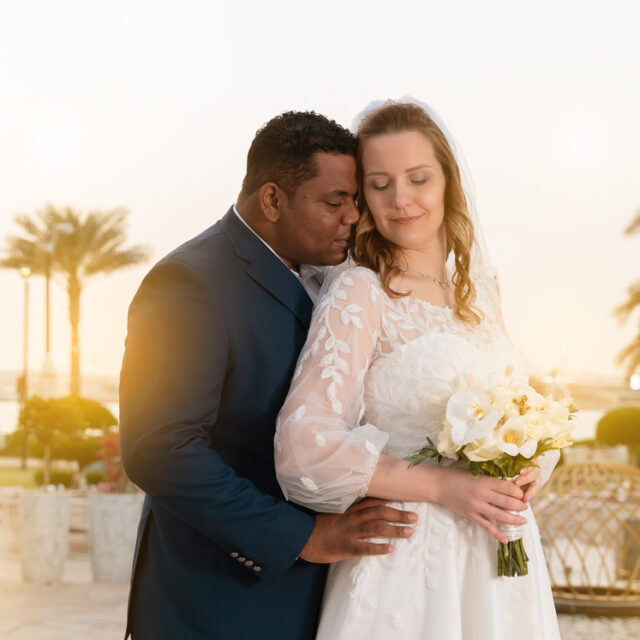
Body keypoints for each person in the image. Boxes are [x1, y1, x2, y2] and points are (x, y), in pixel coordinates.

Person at [118, 110, 417, 640]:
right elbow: (160, 448)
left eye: (354, 199)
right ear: (273, 200)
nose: (354, 216)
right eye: (334, 201)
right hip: (217, 600)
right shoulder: (189, 283)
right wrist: (302, 538)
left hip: (317, 597)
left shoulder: (334, 280)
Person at [275, 99, 561, 640]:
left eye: (418, 178)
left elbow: (526, 412)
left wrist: (530, 466)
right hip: (408, 567)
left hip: (500, 562)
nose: (401, 199)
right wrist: (442, 486)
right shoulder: (360, 292)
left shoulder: (478, 296)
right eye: (380, 184)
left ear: (449, 183)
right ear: (363, 198)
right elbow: (302, 449)